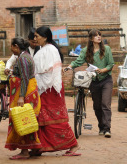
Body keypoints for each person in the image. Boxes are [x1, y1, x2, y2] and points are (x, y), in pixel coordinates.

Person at [32, 26, 80, 156]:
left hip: (50, 88)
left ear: (45, 37)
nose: (35, 39)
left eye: (37, 36)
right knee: (40, 118)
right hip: (43, 88)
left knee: (54, 119)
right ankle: (39, 147)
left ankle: (73, 145)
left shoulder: (51, 50)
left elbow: (48, 71)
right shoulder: (42, 49)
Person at [64, 29, 115, 138]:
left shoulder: (106, 49)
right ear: (91, 39)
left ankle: (107, 128)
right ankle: (101, 126)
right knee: (97, 105)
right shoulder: (86, 51)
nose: (98, 37)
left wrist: (103, 70)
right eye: (96, 36)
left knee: (105, 104)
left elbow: (111, 64)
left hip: (106, 79)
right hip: (94, 80)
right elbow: (78, 61)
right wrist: (69, 66)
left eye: (99, 35)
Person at [4, 37, 42, 160]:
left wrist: (21, 97)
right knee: (28, 119)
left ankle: (24, 151)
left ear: (16, 46)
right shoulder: (26, 56)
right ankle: (34, 147)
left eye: (12, 46)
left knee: (23, 120)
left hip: (25, 92)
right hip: (29, 91)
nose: (11, 49)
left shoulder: (23, 59)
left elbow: (25, 78)